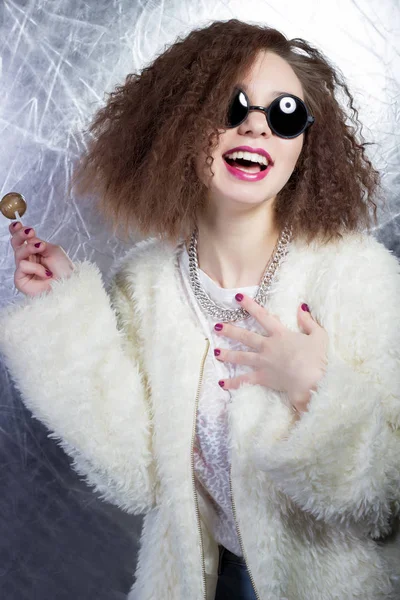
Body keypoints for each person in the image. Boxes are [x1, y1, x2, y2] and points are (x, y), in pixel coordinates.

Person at [1, 18, 399, 600]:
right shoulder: (148, 282)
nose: (256, 127)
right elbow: (137, 474)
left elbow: (387, 503)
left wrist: (316, 388)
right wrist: (60, 309)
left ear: (307, 142)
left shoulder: (357, 277)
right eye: (230, 106)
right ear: (182, 126)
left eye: (284, 113)